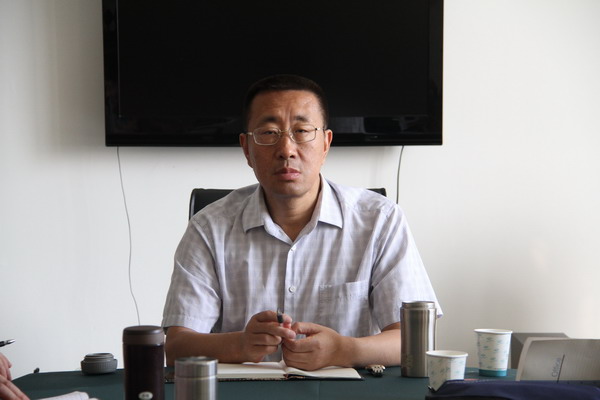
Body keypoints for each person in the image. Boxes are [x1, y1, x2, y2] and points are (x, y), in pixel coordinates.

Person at [162, 74, 441, 371]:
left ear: (326, 144)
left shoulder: (379, 220)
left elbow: (416, 343)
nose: (286, 149)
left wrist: (344, 350)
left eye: (302, 131)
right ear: (246, 148)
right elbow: (176, 347)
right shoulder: (208, 228)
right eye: (269, 133)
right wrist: (240, 344)